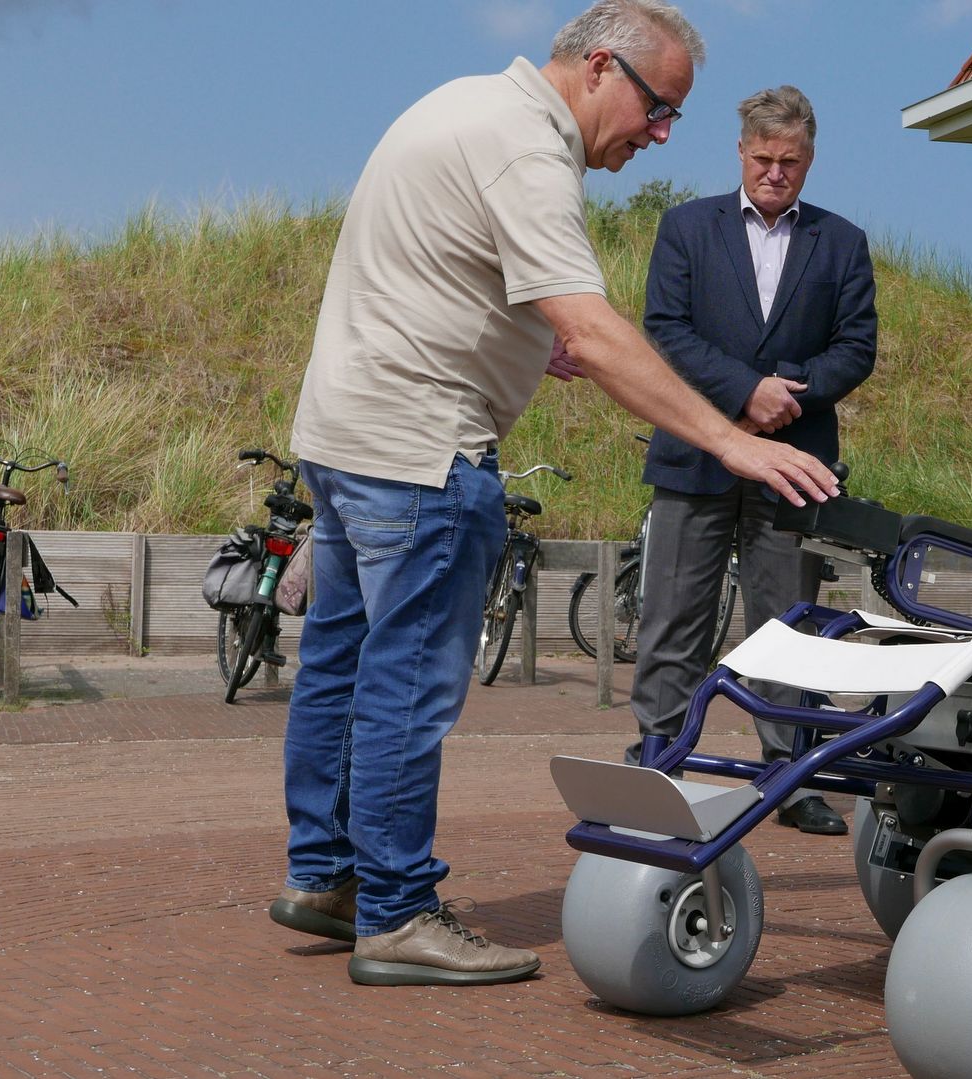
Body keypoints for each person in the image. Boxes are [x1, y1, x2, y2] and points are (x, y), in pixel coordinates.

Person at [269, 0, 838, 987]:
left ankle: (327, 877)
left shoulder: (459, 104)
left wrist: (530, 344)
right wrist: (727, 440)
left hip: (345, 434)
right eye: (659, 108)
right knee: (406, 681)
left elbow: (432, 270)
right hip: (420, 451)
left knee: (342, 665)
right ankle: (396, 912)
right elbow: (597, 326)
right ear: (602, 67)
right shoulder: (529, 150)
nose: (660, 136)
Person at [626, 85, 877, 836]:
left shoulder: (842, 242)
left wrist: (784, 394)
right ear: (740, 152)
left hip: (794, 463)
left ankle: (790, 777)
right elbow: (666, 328)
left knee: (788, 629)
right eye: (763, 158)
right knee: (673, 620)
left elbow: (856, 347)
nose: (775, 173)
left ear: (810, 159)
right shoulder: (685, 227)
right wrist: (745, 392)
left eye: (789, 162)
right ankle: (657, 764)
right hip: (695, 453)